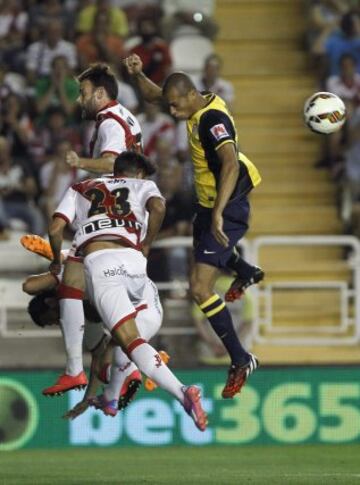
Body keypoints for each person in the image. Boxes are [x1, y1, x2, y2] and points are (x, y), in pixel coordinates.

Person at [124, 53, 263, 398]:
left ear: (188, 97)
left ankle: (240, 358)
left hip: (225, 205)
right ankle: (245, 271)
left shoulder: (211, 118)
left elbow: (229, 164)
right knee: (204, 252)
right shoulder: (194, 99)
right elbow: (158, 94)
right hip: (206, 202)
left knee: (200, 288)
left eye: (174, 106)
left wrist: (217, 212)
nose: (171, 112)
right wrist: (140, 76)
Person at [47, 151, 208, 431]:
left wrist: (53, 258)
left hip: (102, 263)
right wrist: (146, 243)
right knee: (125, 345)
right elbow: (158, 208)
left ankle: (181, 391)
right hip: (137, 270)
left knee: (126, 343)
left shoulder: (80, 188)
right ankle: (118, 389)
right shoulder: (143, 186)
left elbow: (55, 229)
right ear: (138, 174)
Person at [43, 63, 143, 397]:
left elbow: (116, 164)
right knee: (83, 284)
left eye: (84, 94)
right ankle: (118, 365)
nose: (80, 100)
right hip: (127, 210)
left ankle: (88, 369)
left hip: (114, 210)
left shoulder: (111, 122)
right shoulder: (123, 116)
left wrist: (79, 163)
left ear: (100, 94)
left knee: (74, 281)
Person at [21, 235, 164, 418]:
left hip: (140, 295)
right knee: (106, 362)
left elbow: (28, 286)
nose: (57, 322)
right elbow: (97, 360)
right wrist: (87, 400)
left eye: (52, 319)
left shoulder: (73, 279)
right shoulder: (81, 321)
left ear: (50, 302)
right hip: (139, 311)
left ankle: (140, 368)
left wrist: (59, 270)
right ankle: (146, 365)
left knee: (119, 346)